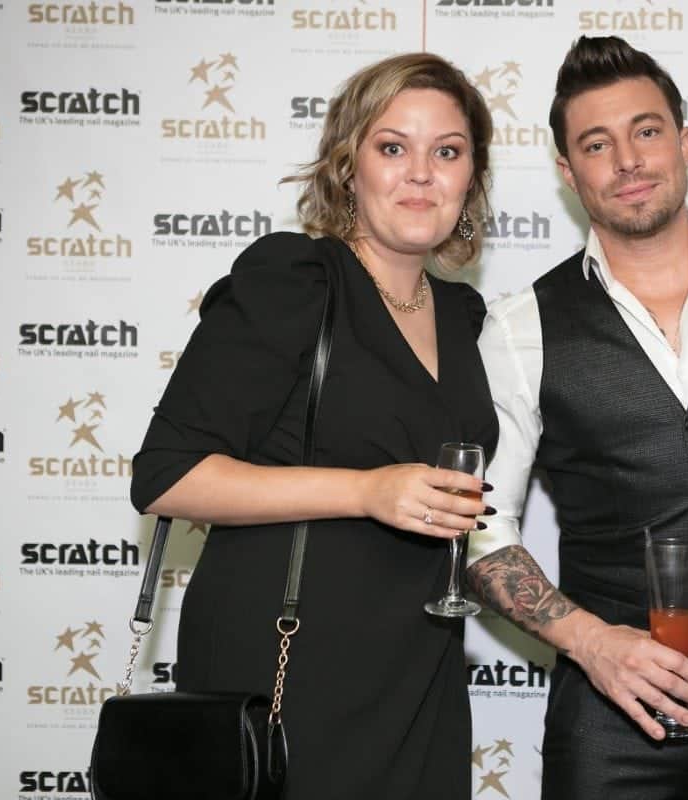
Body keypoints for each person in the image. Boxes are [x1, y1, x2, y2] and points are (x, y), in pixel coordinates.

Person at [467, 36, 688, 800]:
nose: (628, 160)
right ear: (568, 173)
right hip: (611, 719)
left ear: (684, 142)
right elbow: (480, 529)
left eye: (647, 131)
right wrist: (591, 643)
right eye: (597, 144)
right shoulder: (520, 328)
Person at [130, 53, 497, 799]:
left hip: (420, 671)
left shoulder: (462, 315)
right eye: (392, 147)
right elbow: (166, 475)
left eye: (447, 152)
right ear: (348, 166)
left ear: (471, 177)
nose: (420, 174)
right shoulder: (295, 281)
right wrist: (365, 490)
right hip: (289, 668)